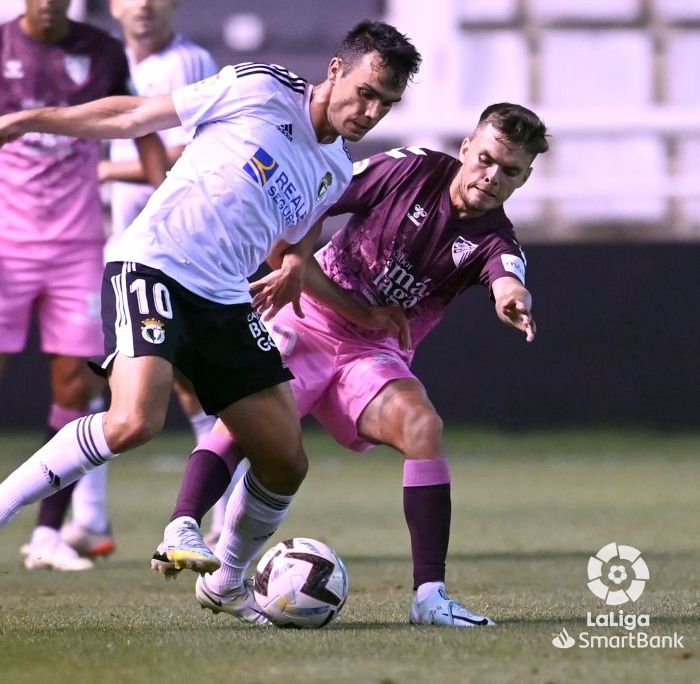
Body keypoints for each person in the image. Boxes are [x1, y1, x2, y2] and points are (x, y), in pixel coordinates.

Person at [0, 20, 422, 628]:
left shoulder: (336, 170)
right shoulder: (260, 89)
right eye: (366, 92)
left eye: (386, 104)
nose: (370, 111)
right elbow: (133, 116)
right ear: (337, 70)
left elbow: (291, 244)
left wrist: (302, 270)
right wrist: (24, 120)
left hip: (225, 298)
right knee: (134, 421)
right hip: (154, 263)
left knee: (286, 460)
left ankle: (227, 585)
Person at [156, 102, 548, 626]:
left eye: (510, 171)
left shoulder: (495, 238)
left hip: (370, 353)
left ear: (524, 178)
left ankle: (429, 598)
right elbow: (319, 197)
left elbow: (507, 274)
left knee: (423, 426)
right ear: (465, 149)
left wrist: (511, 297)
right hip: (305, 317)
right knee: (241, 428)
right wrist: (298, 262)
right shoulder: (408, 168)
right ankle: (183, 526)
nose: (491, 177)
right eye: (486, 159)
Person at [0, 0, 166, 572]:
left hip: (76, 249)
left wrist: (171, 198)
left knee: (73, 383)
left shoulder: (101, 53)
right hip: (0, 248)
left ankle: (47, 530)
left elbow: (137, 126)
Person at [67, 0, 230, 555]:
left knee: (190, 383)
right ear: (113, 3)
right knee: (99, 375)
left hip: (178, 243)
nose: (142, 2)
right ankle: (92, 521)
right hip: (121, 243)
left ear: (173, 1)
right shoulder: (108, 63)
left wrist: (105, 169)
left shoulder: (187, 62)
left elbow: (193, 156)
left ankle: (223, 510)